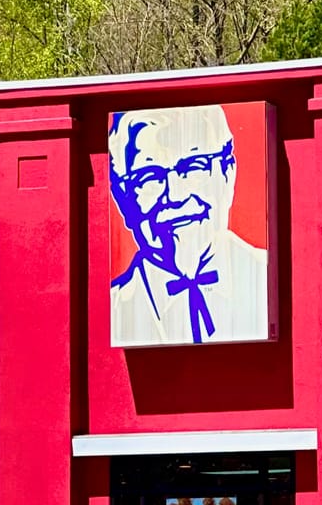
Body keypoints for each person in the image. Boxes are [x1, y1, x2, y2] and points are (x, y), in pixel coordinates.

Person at [108, 105, 269, 346]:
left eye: (194, 166)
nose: (175, 195)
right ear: (123, 199)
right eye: (149, 176)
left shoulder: (268, 280)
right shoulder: (115, 307)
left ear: (227, 175)